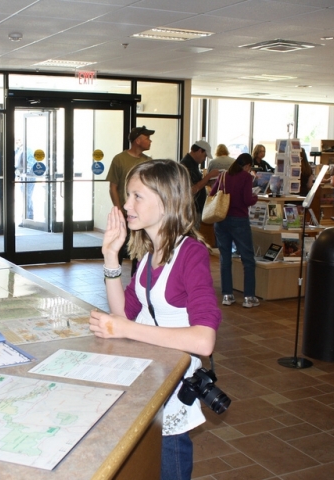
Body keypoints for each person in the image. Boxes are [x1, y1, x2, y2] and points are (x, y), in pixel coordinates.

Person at [89, 160, 220, 480]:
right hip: (152, 381)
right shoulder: (149, 254)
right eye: (127, 196)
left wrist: (124, 328)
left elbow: (204, 340)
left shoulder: (190, 254)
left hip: (173, 390)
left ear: (166, 201)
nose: (125, 204)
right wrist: (110, 257)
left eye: (137, 196)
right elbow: (124, 314)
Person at [211, 153, 260, 308]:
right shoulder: (246, 177)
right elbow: (247, 200)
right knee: (248, 259)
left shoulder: (224, 175)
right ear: (247, 166)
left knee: (225, 258)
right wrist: (255, 197)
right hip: (239, 220)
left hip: (221, 220)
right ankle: (249, 297)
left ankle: (227, 295)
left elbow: (212, 193)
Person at [106, 126, 154, 266]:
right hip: (125, 211)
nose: (150, 141)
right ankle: (112, 273)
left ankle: (137, 278)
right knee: (119, 245)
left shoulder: (148, 161)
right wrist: (119, 209)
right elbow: (113, 187)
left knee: (140, 247)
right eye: (147, 138)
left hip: (142, 212)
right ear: (138, 141)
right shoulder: (119, 159)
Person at [179, 140, 219, 217]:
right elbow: (193, 189)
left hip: (195, 209)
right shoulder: (187, 165)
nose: (204, 159)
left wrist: (208, 182)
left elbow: (196, 183)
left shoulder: (193, 164)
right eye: (205, 156)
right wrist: (209, 176)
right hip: (192, 211)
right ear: (200, 151)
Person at [15, 139, 35, 222]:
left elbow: (32, 163)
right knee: (26, 196)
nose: (17, 142)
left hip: (28, 177)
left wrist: (28, 174)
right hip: (23, 176)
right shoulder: (19, 150)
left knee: (27, 196)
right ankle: (28, 216)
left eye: (18, 140)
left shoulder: (28, 150)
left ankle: (27, 217)